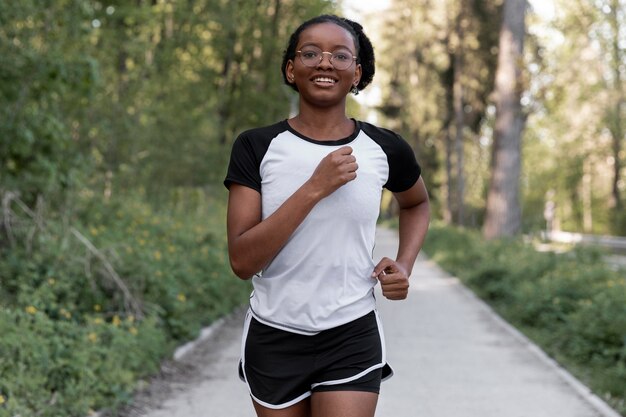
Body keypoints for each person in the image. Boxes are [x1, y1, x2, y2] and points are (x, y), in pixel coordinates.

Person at [223, 14, 430, 417]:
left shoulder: (384, 148)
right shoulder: (256, 146)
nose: (324, 63)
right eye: (310, 53)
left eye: (340, 55)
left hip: (350, 331)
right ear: (290, 68)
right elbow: (243, 261)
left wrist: (404, 264)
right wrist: (315, 187)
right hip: (273, 333)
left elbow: (417, 203)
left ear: (357, 73)